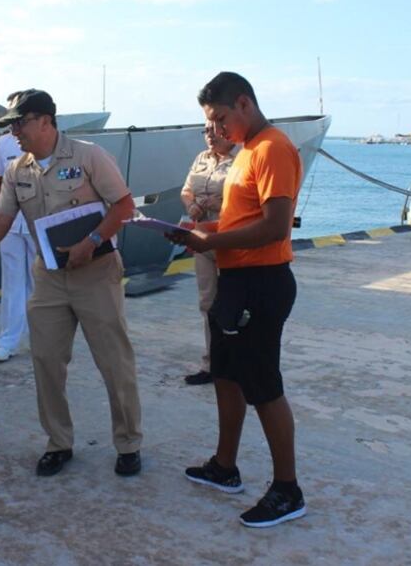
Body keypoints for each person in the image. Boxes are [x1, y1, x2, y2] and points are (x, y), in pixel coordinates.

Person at [0, 89, 143, 478]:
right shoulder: (18, 170)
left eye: (21, 122)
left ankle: (129, 442)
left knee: (114, 362)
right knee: (47, 361)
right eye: (10, 125)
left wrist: (93, 241)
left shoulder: (89, 156)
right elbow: (0, 220)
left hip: (96, 273)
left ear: (46, 120)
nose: (14, 131)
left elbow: (124, 205)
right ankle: (59, 442)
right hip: (48, 277)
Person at [168, 72, 305, 528]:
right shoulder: (246, 152)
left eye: (222, 119)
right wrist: (204, 234)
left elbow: (275, 226)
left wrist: (212, 241)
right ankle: (224, 466)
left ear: (244, 104)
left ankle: (288, 489)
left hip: (262, 281)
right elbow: (242, 217)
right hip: (234, 279)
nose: (219, 130)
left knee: (264, 386)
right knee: (226, 375)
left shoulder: (272, 149)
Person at [180, 122, 237, 386]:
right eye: (206, 131)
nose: (210, 136)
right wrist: (191, 204)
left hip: (230, 239)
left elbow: (250, 198)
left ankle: (236, 364)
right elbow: (187, 189)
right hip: (203, 239)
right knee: (207, 303)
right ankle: (212, 364)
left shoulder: (241, 158)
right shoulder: (201, 159)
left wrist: (221, 203)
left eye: (214, 130)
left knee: (234, 305)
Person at [0, 131, 37, 363]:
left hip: (38, 222)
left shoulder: (45, 140)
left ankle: (43, 339)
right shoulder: (4, 142)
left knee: (41, 282)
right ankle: (8, 341)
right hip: (8, 223)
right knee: (12, 283)